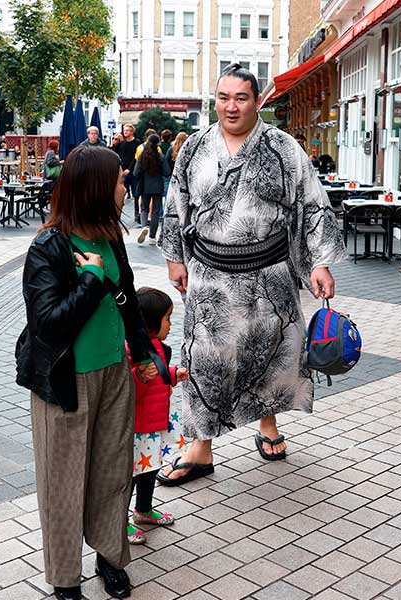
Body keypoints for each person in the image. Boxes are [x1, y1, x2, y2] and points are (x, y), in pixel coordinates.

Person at [157, 63, 345, 486]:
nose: (231, 106)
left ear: (257, 101)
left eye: (241, 98)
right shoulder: (195, 148)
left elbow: (312, 203)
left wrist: (319, 262)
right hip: (210, 275)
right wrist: (174, 256)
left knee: (270, 354)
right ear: (215, 100)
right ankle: (200, 447)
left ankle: (268, 423)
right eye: (223, 98)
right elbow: (176, 202)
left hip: (269, 273)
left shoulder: (283, 148)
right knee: (205, 359)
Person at [15, 145, 159, 600]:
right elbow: (48, 323)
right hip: (66, 382)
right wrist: (91, 281)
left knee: (112, 472)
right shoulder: (48, 247)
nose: (125, 185)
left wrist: (141, 352)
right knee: (63, 482)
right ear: (97, 187)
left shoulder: (111, 235)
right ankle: (64, 579)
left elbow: (128, 299)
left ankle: (110, 557)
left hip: (115, 373)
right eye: (119, 179)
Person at [124, 287, 188, 545]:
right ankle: (119, 522)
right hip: (138, 427)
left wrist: (172, 374)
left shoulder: (158, 347)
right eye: (167, 319)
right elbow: (125, 388)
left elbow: (158, 376)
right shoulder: (131, 350)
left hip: (155, 423)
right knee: (129, 475)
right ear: (149, 323)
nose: (170, 325)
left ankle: (144, 509)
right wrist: (138, 377)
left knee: (150, 469)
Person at [134, 134, 169, 245]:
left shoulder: (143, 156)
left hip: (144, 186)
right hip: (158, 186)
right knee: (155, 211)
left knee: (144, 208)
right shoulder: (160, 157)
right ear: (158, 143)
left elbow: (136, 172)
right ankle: (152, 237)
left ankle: (144, 226)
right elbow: (167, 172)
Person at [117, 125, 141, 206]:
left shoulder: (137, 143)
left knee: (136, 194)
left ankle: (137, 212)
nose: (125, 132)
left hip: (133, 171)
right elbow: (119, 157)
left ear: (132, 132)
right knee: (121, 193)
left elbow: (136, 158)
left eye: (127, 130)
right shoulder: (122, 143)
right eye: (124, 130)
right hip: (123, 171)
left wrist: (129, 169)